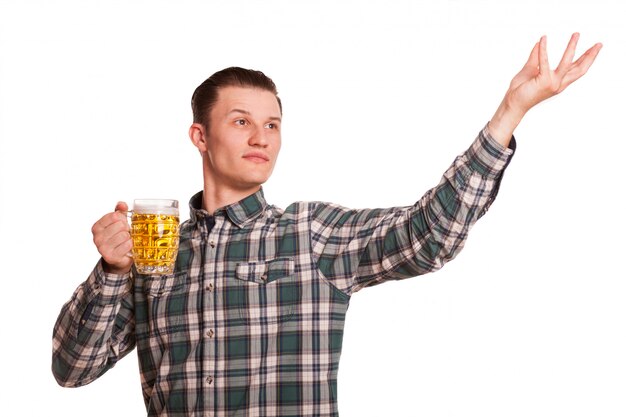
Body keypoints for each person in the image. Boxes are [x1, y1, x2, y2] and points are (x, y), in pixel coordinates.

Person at [52, 34, 602, 416]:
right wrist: (111, 270)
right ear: (200, 136)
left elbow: (428, 235)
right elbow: (72, 369)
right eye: (241, 122)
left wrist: (510, 112)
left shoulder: (310, 234)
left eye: (272, 124)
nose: (261, 138)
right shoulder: (157, 249)